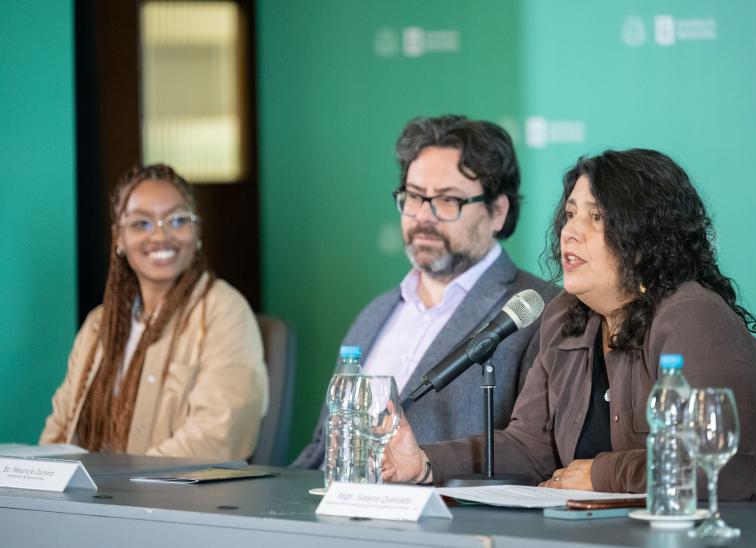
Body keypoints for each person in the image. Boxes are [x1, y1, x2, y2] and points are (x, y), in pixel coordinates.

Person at [382, 148, 756, 503]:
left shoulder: (692, 314)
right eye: (570, 215)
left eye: (596, 217)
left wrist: (601, 473)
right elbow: (530, 448)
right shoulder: (563, 318)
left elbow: (726, 468)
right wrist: (423, 462)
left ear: (644, 235)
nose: (570, 232)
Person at [292, 115, 557, 468]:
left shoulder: (539, 311)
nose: (423, 216)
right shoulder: (377, 312)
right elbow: (322, 448)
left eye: (448, 200)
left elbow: (531, 454)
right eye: (414, 197)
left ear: (497, 212)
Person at [41, 164, 268, 460]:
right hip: (97, 500)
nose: (161, 237)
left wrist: (127, 489)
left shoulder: (224, 311)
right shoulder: (100, 325)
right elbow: (61, 426)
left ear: (197, 230)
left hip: (175, 503)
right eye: (141, 224)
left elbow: (217, 435)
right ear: (119, 239)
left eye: (177, 220)